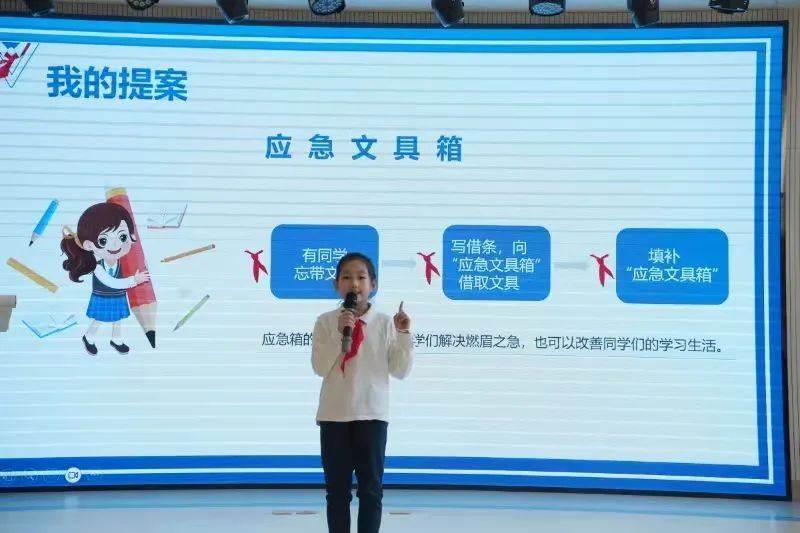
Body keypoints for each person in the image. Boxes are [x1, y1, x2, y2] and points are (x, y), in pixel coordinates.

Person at [311, 252, 413, 533]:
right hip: (334, 416)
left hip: (372, 416)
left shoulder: (385, 323)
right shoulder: (325, 321)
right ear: (336, 285)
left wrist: (403, 334)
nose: (354, 284)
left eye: (361, 277)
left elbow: (400, 370)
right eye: (346, 277)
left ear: (373, 284)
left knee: (371, 491)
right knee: (337, 493)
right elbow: (319, 367)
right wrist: (339, 332)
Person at [60, 202, 150, 355]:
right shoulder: (97, 267)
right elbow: (112, 282)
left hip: (118, 296)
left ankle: (116, 339)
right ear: (88, 245)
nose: (115, 244)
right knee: (99, 319)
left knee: (117, 319)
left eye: (122, 236)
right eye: (103, 240)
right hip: (103, 297)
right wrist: (134, 280)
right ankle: (89, 337)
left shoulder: (122, 262)